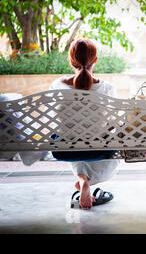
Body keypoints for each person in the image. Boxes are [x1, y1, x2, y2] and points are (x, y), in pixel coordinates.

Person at [49, 38, 119, 209]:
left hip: (64, 150)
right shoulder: (107, 88)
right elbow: (113, 124)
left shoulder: (57, 85)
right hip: (100, 150)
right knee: (105, 138)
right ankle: (87, 180)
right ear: (95, 60)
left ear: (71, 61)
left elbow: (54, 121)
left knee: (71, 136)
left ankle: (82, 179)